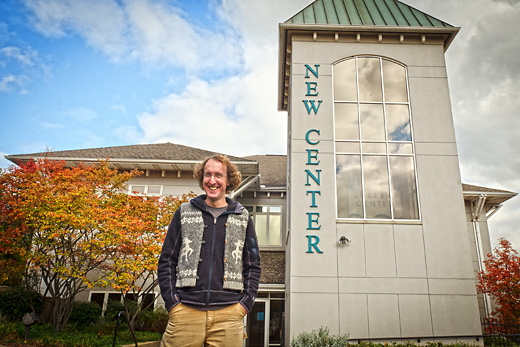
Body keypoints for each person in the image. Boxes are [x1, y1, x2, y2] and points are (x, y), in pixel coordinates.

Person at [158, 155, 261, 347]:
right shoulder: (184, 212)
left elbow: (253, 265)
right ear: (201, 178)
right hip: (185, 312)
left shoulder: (243, 217)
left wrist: (245, 304)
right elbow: (166, 261)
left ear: (228, 180)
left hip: (229, 314)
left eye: (218, 175)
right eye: (207, 175)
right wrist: (172, 303)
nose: (212, 181)